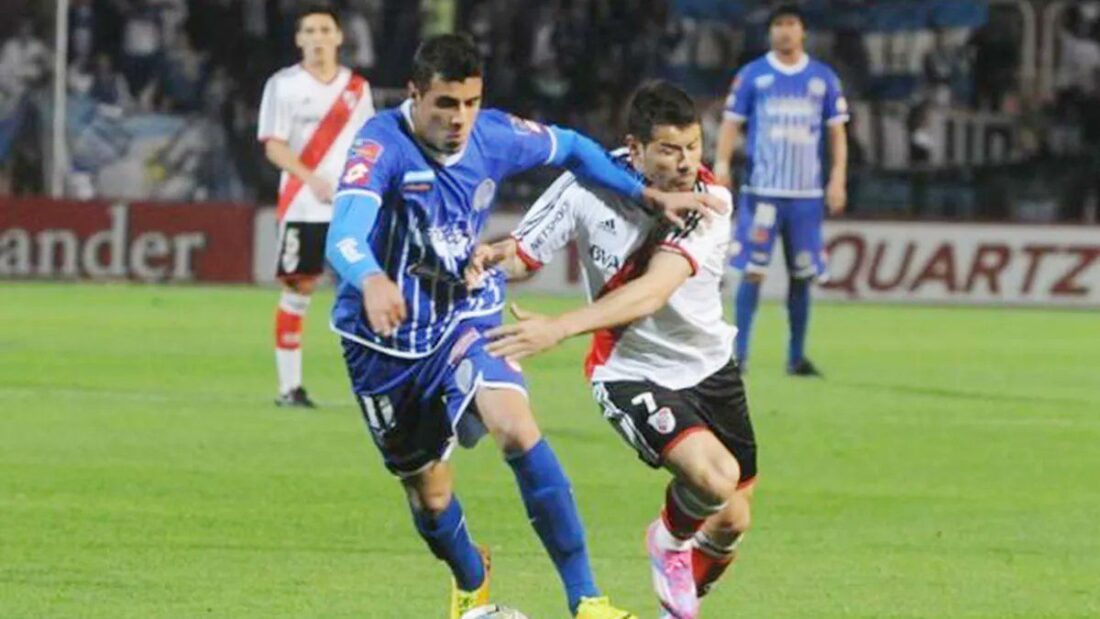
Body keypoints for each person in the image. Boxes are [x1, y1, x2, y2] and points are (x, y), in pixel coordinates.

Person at [325, 34, 721, 619]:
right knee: (430, 495)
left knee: (516, 428)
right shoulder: (380, 144)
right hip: (385, 340)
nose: (460, 119)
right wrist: (372, 280)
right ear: (415, 94)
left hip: (465, 308)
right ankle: (470, 573)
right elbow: (344, 236)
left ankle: (586, 599)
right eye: (445, 104)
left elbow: (575, 149)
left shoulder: (495, 135)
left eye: (470, 103)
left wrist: (642, 194)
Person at [477, 81, 755, 619]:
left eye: (693, 146)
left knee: (732, 519)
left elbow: (652, 292)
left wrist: (559, 327)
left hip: (710, 368)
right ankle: (667, 542)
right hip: (630, 369)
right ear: (635, 148)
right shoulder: (585, 184)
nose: (686, 163)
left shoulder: (709, 200)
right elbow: (522, 256)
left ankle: (677, 597)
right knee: (713, 478)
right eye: (669, 150)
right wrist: (482, 261)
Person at [713, 4, 849, 376]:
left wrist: (838, 177)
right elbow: (730, 123)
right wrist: (721, 163)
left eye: (791, 24)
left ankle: (796, 357)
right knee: (752, 272)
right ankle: (739, 355)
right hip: (762, 192)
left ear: (803, 31)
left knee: (802, 275)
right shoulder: (753, 75)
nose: (784, 31)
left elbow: (837, 132)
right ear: (770, 31)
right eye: (778, 24)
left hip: (806, 196)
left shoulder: (823, 78)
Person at [257, 4, 374, 407]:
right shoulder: (282, 85)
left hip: (349, 207)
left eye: (325, 30)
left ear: (339, 37)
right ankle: (289, 388)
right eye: (310, 31)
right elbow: (273, 145)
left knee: (364, 288)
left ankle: (374, 385)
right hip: (302, 205)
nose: (318, 38)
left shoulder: (357, 89)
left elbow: (368, 145)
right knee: (298, 289)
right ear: (298, 39)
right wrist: (311, 180)